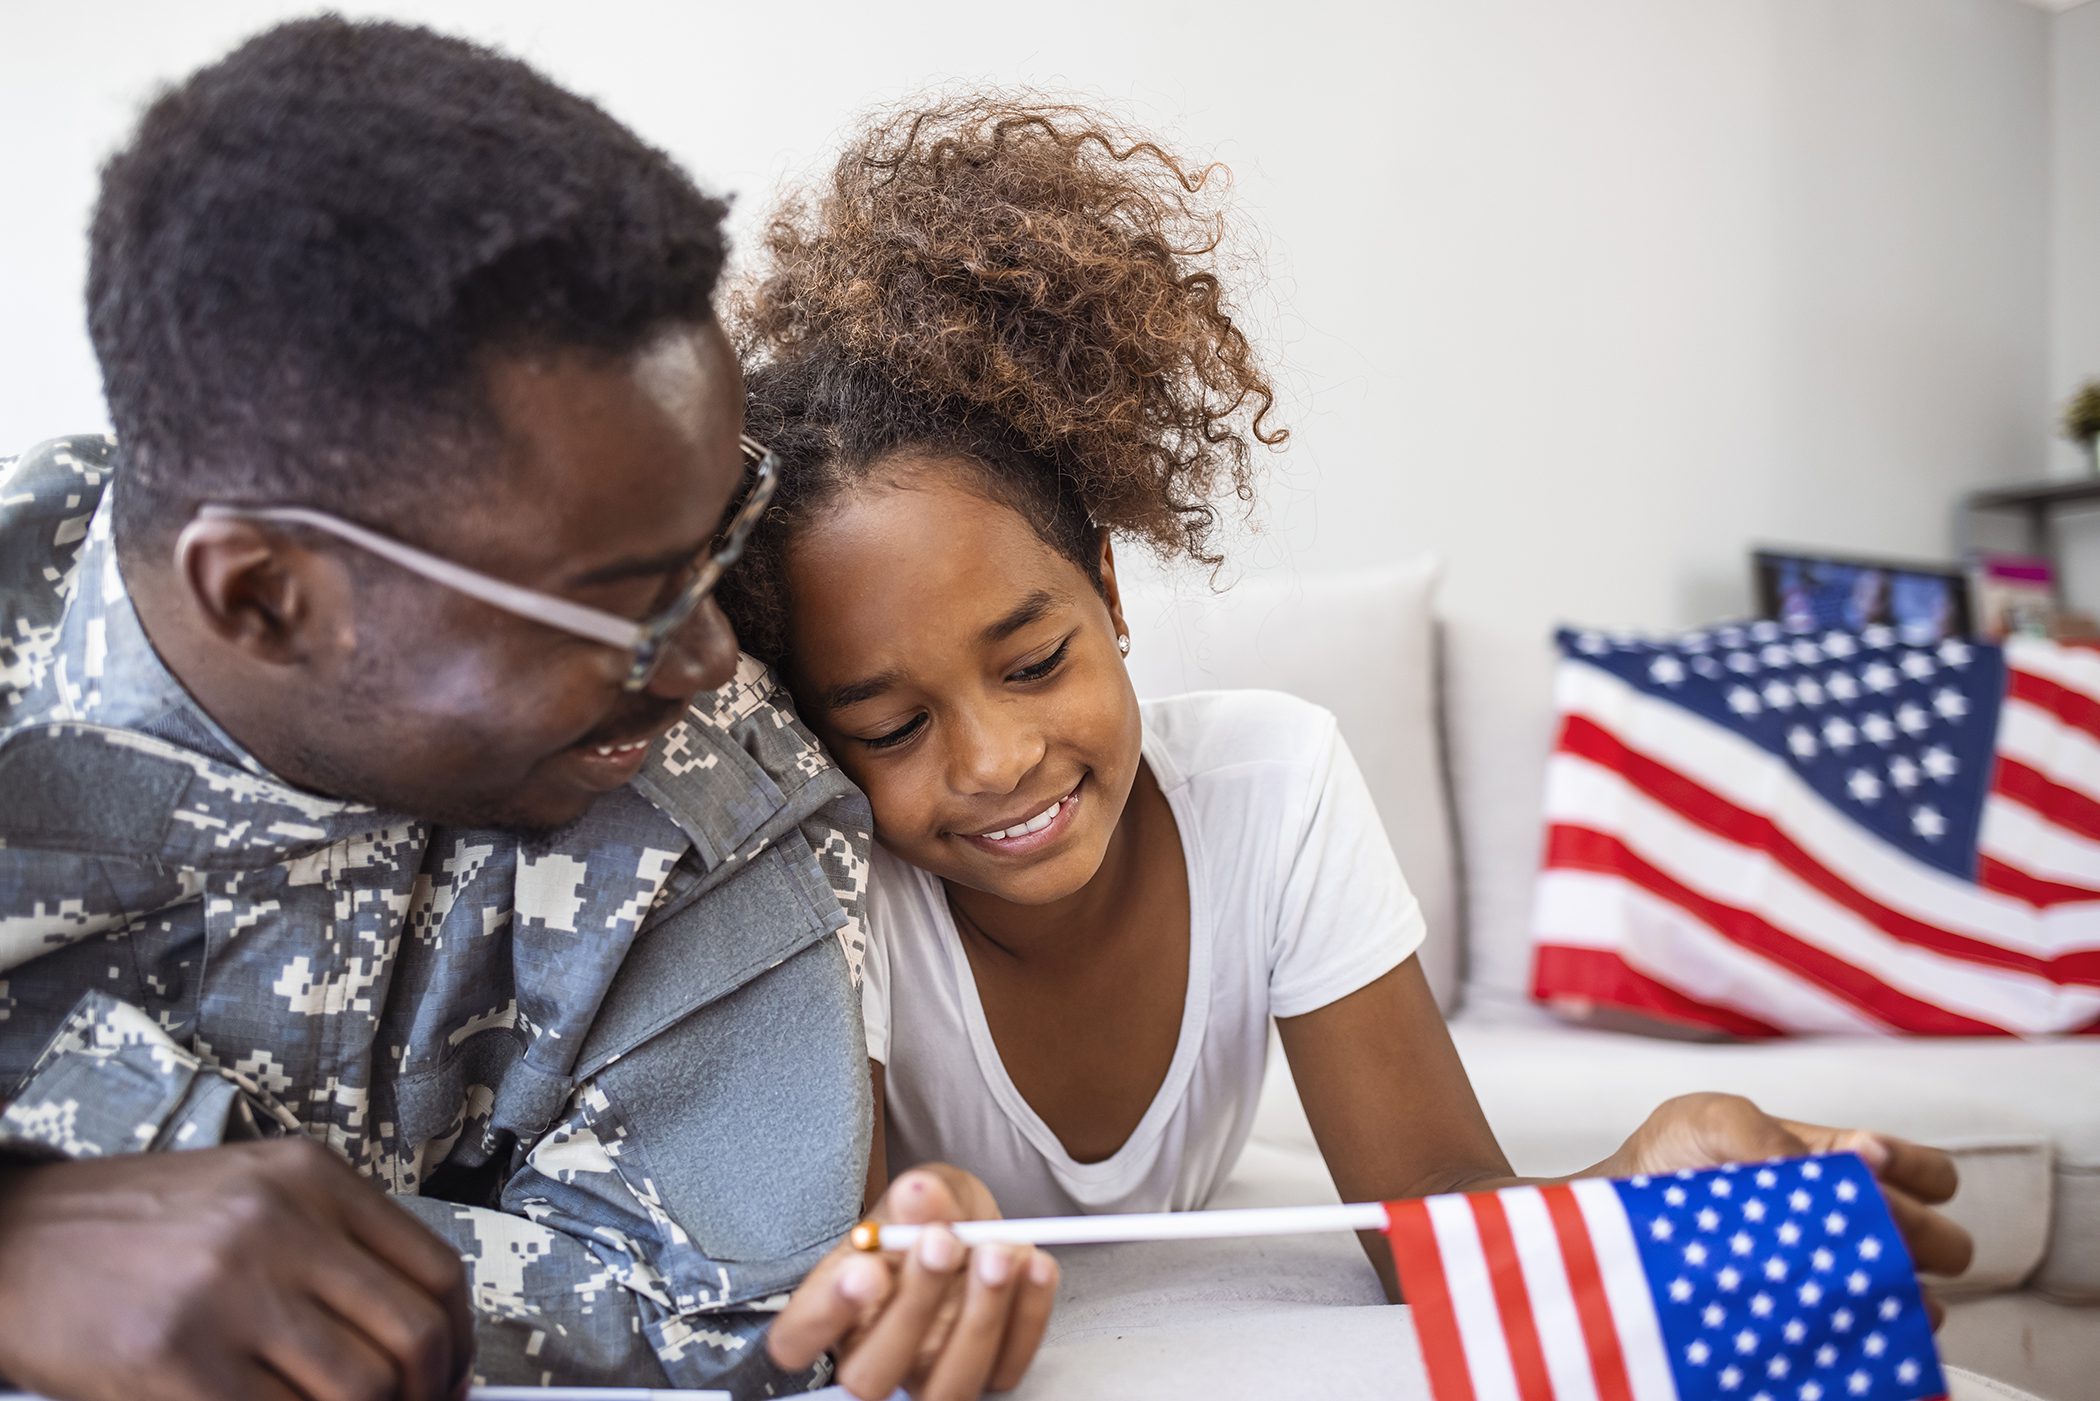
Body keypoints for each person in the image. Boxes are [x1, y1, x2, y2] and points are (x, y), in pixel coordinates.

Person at [715, 95, 1975, 1305]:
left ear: (1106, 587)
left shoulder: (1276, 788)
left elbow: (1433, 1214)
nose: (994, 760)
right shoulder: (835, 883)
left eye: (1036, 661)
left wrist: (1651, 1171)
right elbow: (854, 1267)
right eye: (890, 727)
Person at [0, 23, 1054, 1401]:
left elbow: (735, 1328)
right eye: (624, 598)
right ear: (265, 596)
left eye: (716, 538)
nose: (709, 657)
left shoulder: (712, 800)